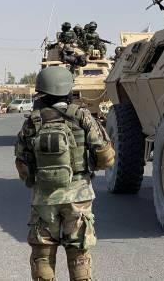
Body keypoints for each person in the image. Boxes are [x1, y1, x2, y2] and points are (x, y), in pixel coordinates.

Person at [14, 66, 115, 281]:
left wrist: (36, 180)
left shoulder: (33, 121)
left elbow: (22, 164)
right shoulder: (82, 117)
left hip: (44, 198)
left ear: (42, 92)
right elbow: (106, 157)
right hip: (78, 196)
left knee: (42, 254)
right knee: (79, 252)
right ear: (68, 90)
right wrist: (87, 169)